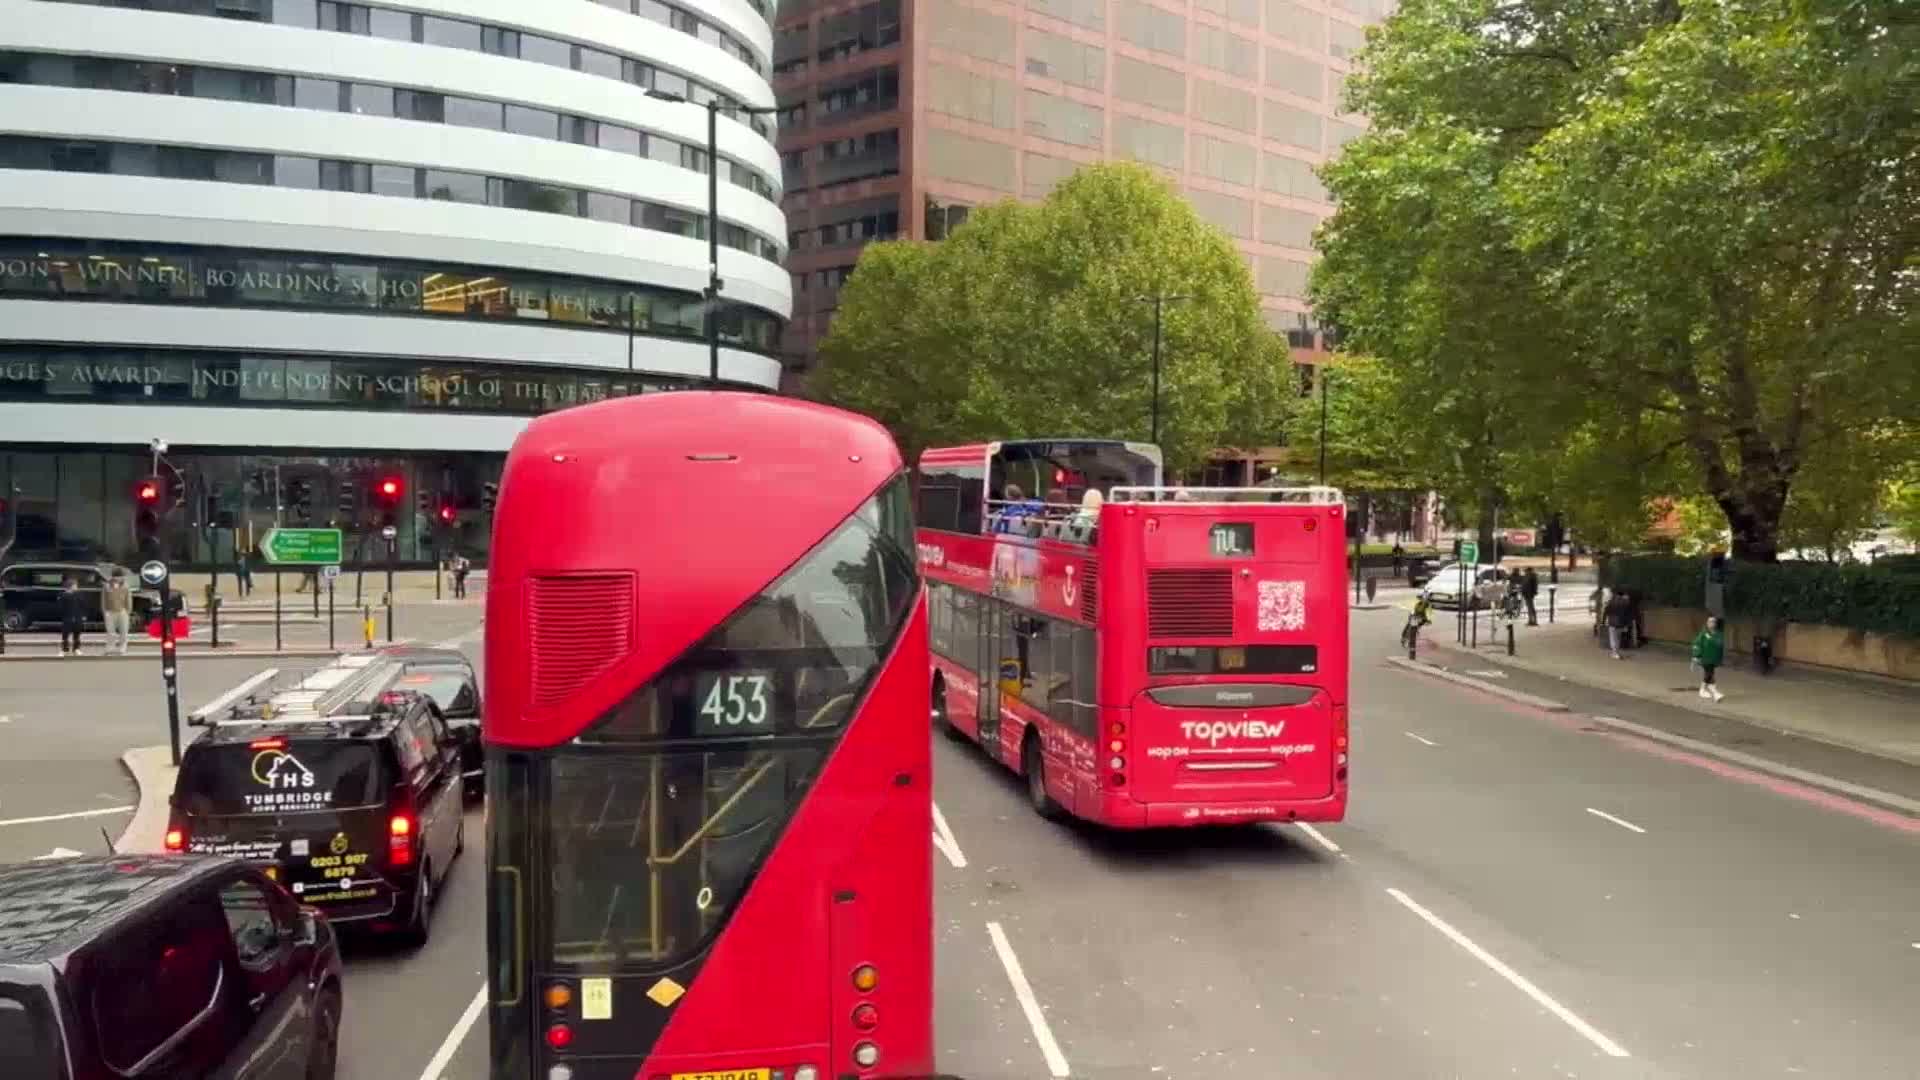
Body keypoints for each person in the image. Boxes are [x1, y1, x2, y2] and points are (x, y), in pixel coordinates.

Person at [1691, 616, 1727, 701]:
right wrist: (1696, 656)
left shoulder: (1718, 634)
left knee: (1710, 674)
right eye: (1709, 622)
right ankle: (1707, 691)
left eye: (1713, 622)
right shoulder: (1704, 633)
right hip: (1705, 658)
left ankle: (1713, 693)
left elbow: (1720, 646)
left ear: (1716, 623)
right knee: (1709, 673)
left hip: (1713, 659)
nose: (1711, 623)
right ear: (1707, 623)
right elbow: (1697, 644)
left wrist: (1720, 659)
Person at [101, 568, 132, 656]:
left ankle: (122, 648)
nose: (120, 579)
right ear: (114, 577)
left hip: (122, 611)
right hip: (110, 611)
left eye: (121, 577)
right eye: (118, 577)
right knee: (110, 631)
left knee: (123, 631)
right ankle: (110, 647)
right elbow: (103, 600)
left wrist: (128, 610)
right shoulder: (107, 586)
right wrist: (104, 611)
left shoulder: (125, 586)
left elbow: (128, 599)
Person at [1603, 586, 1634, 659]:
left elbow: (1606, 611)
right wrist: (1627, 624)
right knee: (1618, 638)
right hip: (1621, 623)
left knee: (1613, 638)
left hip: (1612, 623)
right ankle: (1616, 652)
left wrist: (1603, 621)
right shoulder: (1625, 602)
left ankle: (1615, 653)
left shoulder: (1611, 601)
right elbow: (1628, 614)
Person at [58, 576, 85, 657]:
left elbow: (83, 605)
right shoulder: (63, 595)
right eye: (75, 585)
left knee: (77, 634)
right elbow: (60, 607)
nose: (77, 587)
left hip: (77, 617)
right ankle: (64, 650)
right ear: (71, 586)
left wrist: (83, 615)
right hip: (67, 618)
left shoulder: (79, 595)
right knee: (65, 635)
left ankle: (76, 649)